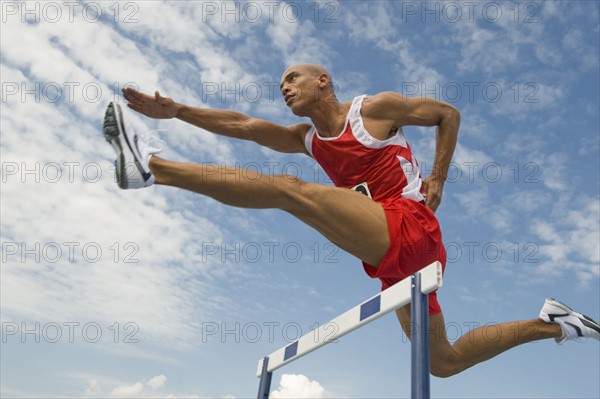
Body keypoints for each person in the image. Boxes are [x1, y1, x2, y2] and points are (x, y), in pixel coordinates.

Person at [102, 64, 599, 377]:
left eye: (292, 80)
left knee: (291, 191)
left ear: (323, 81)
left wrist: (439, 178)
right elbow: (244, 126)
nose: (284, 89)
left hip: (409, 223)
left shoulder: (373, 111)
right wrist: (178, 111)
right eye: (279, 86)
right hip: (390, 256)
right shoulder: (308, 140)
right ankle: (553, 325)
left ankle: (154, 169)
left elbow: (448, 113)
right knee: (442, 363)